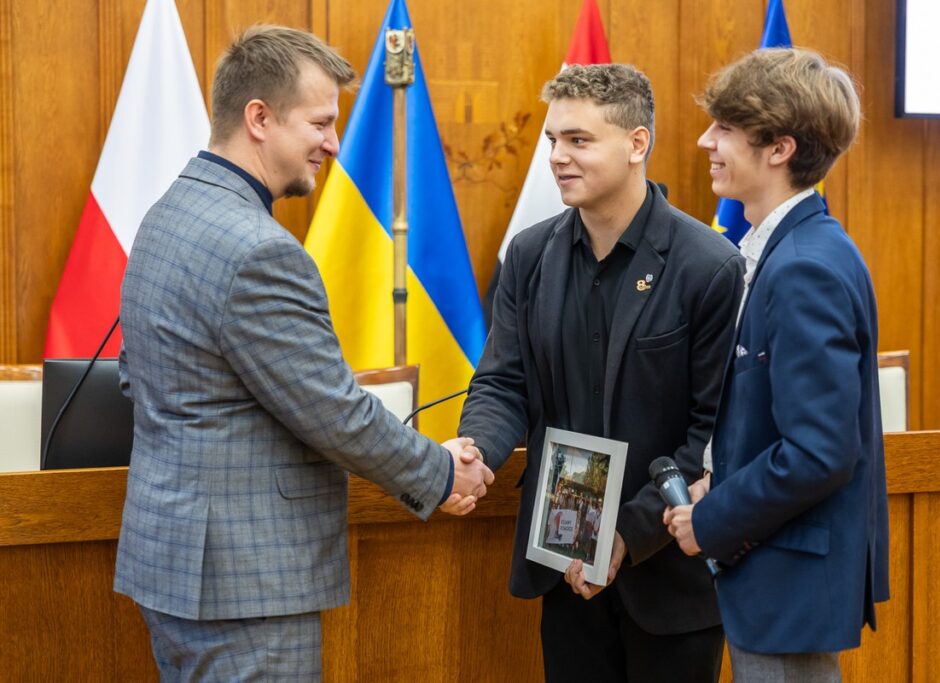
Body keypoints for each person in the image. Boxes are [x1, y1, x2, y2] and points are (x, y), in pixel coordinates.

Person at [114, 25, 493, 681]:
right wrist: (439, 471)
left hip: (174, 564)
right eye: (319, 123)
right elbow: (334, 414)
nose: (334, 143)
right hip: (244, 585)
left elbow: (136, 377)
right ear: (259, 118)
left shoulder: (167, 214)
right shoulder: (258, 251)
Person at [458, 63, 744, 682]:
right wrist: (475, 451)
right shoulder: (529, 255)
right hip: (564, 560)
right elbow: (503, 382)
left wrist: (626, 533)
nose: (557, 157)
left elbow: (713, 433)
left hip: (669, 575)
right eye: (552, 140)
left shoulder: (709, 265)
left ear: (637, 143)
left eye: (578, 140)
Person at [663, 48, 889, 682]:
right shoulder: (788, 249)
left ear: (780, 149)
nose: (706, 141)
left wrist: (711, 519)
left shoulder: (803, 267)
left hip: (787, 581)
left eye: (726, 128)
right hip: (774, 569)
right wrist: (716, 479)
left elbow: (818, 451)